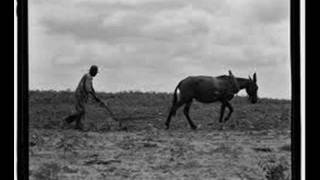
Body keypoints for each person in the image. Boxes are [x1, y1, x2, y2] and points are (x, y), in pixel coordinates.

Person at [64, 65, 103, 130]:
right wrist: (95, 97)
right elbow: (88, 88)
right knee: (81, 111)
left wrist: (96, 96)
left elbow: (91, 88)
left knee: (81, 111)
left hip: (82, 96)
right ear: (92, 71)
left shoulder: (89, 77)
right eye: (95, 72)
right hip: (80, 95)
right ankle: (68, 120)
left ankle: (77, 126)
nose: (96, 74)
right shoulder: (88, 77)